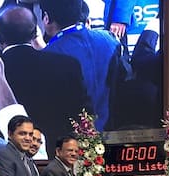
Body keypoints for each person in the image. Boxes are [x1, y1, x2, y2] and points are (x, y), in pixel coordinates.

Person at [0, 5, 91, 159]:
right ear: (35, 33)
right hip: (60, 158)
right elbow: (82, 115)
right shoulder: (67, 65)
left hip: (5, 163)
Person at [40, 0, 124, 131]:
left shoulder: (49, 54)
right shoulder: (109, 39)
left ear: (46, 18)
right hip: (111, 130)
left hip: (71, 136)